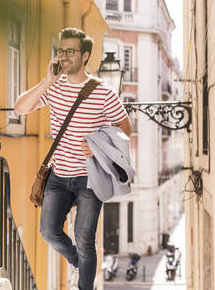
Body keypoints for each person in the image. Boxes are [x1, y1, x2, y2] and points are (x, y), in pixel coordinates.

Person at [14, 27, 131, 290]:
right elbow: (20, 108)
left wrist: (98, 144)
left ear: (85, 55)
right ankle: (79, 263)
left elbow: (125, 129)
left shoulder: (104, 92)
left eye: (71, 51)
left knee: (85, 238)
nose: (64, 55)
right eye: (61, 50)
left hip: (91, 177)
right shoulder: (54, 89)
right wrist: (46, 81)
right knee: (48, 232)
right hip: (58, 174)